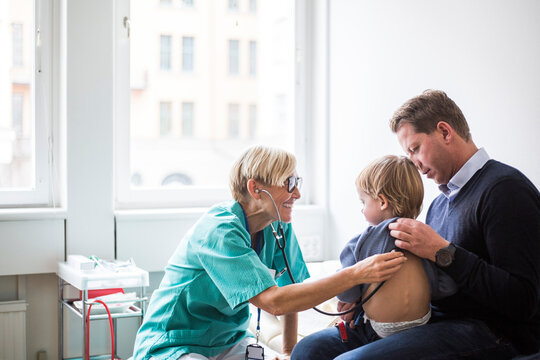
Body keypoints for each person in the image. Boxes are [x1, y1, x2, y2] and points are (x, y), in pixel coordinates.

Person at [291, 90, 540, 360]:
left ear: (445, 132)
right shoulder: (439, 205)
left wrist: (441, 252)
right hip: (437, 322)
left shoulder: (504, 190)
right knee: (309, 350)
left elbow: (524, 300)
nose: (414, 164)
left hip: (492, 331)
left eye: (415, 149)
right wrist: (361, 301)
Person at [132, 145, 407, 360]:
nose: (297, 193)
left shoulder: (279, 227)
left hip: (230, 341)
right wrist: (355, 274)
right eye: (288, 183)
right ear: (255, 189)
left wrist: (289, 351)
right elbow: (275, 301)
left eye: (297, 182)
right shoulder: (219, 230)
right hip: (175, 342)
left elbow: (293, 290)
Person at [337, 155, 456, 340]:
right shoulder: (427, 238)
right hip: (421, 325)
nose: (362, 209)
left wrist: (352, 298)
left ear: (382, 202)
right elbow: (445, 286)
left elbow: (345, 289)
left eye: (364, 202)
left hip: (378, 329)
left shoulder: (361, 241)